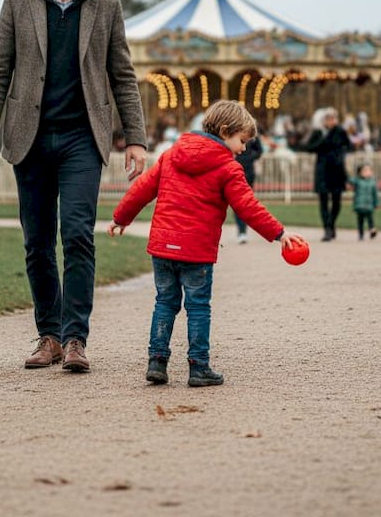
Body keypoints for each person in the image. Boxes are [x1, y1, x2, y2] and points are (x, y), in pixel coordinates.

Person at [0, 0, 149, 373]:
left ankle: (74, 339)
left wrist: (136, 138)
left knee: (77, 235)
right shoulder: (17, 2)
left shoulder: (107, 8)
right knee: (36, 243)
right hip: (28, 138)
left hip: (81, 139)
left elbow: (123, 76)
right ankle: (48, 335)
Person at [108, 100, 306, 387]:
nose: (244, 148)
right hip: (196, 251)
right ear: (225, 131)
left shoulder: (172, 154)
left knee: (164, 303)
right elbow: (248, 206)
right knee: (198, 307)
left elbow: (142, 189)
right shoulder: (228, 167)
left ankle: (157, 361)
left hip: (163, 246)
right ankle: (198, 366)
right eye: (242, 140)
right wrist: (279, 233)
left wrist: (121, 217)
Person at [300, 107, 351, 242]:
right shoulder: (318, 133)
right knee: (323, 201)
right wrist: (322, 140)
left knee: (336, 201)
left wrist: (341, 155)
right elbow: (308, 147)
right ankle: (327, 229)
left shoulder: (340, 132)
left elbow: (348, 146)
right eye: (328, 119)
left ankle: (331, 223)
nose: (330, 121)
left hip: (337, 170)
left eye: (333, 118)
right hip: (322, 171)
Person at [232, 131, 264, 244]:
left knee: (247, 202)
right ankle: (241, 231)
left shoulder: (253, 135)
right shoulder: (234, 133)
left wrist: (250, 158)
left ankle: (243, 229)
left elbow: (259, 151)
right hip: (235, 169)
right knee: (237, 202)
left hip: (249, 172)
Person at [349, 163, 381, 240]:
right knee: (360, 221)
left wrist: (377, 203)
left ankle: (372, 230)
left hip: (369, 205)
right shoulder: (357, 181)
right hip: (359, 205)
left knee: (370, 219)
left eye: (369, 170)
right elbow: (350, 181)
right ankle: (361, 234)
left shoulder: (372, 182)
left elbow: (375, 194)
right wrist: (356, 176)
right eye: (365, 171)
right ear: (360, 173)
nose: (368, 172)